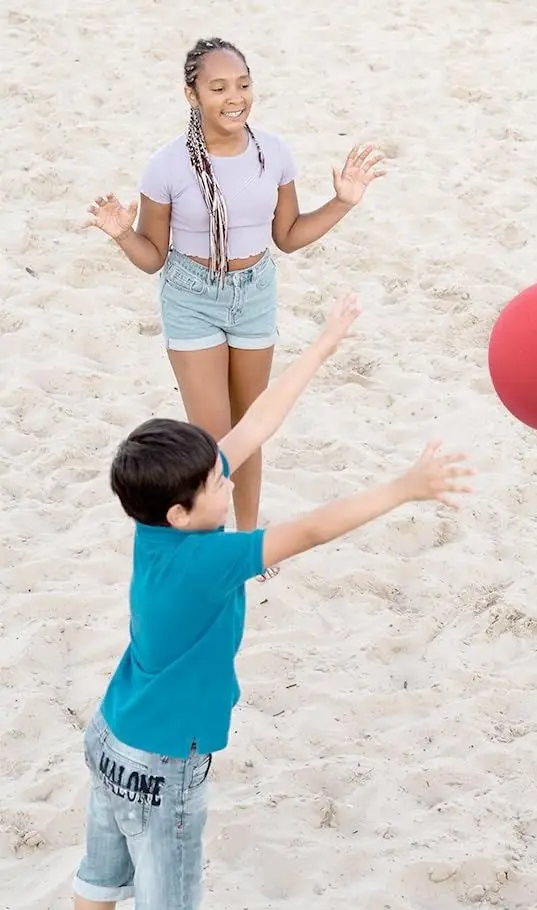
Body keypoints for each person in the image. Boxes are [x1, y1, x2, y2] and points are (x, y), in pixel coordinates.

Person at [57, 293, 474, 910]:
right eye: (218, 483)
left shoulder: (159, 526)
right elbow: (309, 532)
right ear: (182, 511)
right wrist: (404, 488)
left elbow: (255, 426)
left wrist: (322, 346)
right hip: (166, 763)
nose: (230, 480)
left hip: (113, 735)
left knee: (100, 868)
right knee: (168, 905)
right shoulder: (205, 562)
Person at [83, 36, 385, 579]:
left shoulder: (274, 152)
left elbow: (288, 237)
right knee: (216, 439)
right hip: (191, 294)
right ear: (191, 93)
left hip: (254, 290)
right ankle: (214, 546)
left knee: (252, 425)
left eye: (243, 85)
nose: (234, 97)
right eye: (218, 87)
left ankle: (248, 541)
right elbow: (152, 257)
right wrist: (121, 234)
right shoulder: (166, 166)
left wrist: (342, 201)